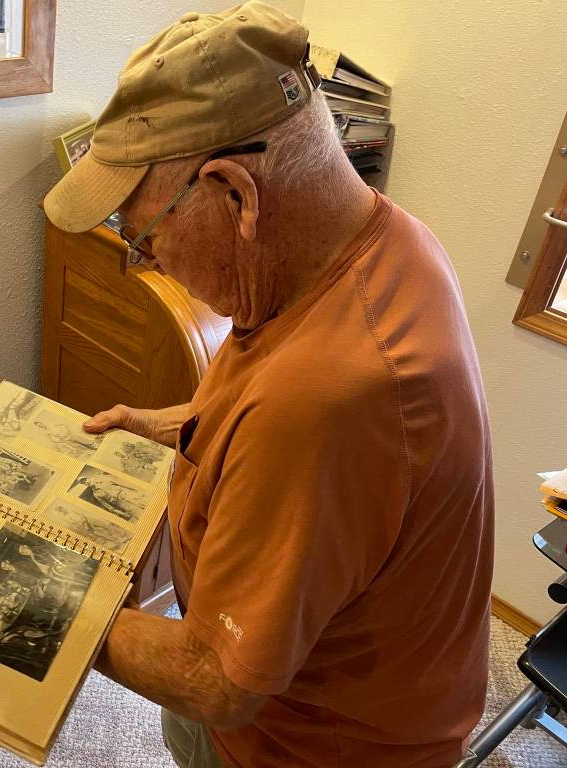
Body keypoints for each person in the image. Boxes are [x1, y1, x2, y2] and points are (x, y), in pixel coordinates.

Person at [42, 4, 493, 768]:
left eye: (141, 234)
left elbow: (216, 678)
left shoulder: (326, 400)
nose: (145, 262)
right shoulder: (387, 242)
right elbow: (277, 416)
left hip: (310, 748)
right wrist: (173, 424)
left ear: (236, 196)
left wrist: (43, 604)